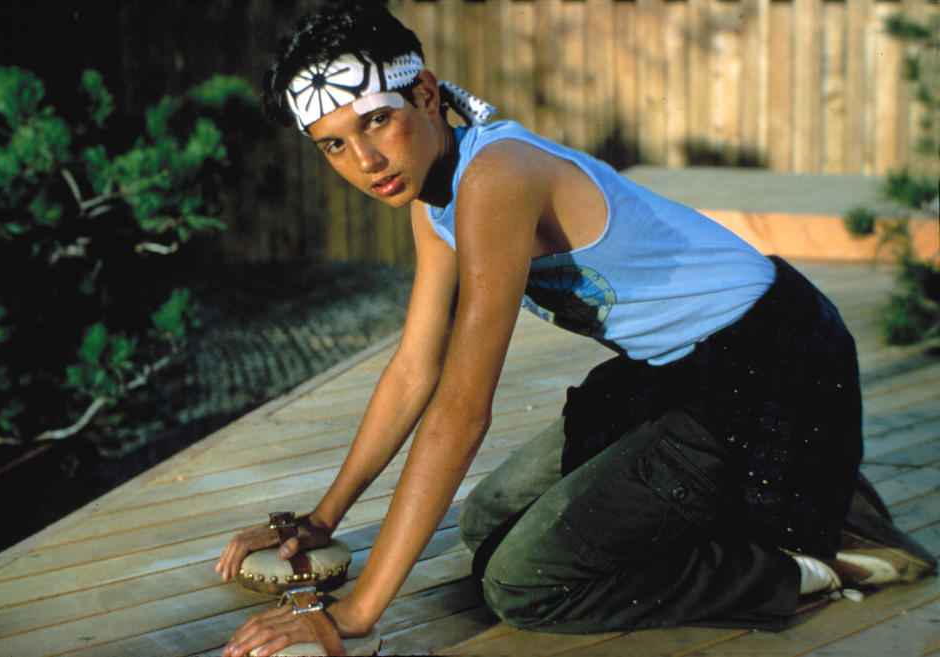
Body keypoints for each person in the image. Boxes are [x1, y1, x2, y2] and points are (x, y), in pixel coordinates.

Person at [215, 2, 936, 655]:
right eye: (334, 145)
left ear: (427, 94)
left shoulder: (496, 177)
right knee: (487, 521)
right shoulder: (431, 196)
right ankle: (791, 504)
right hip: (676, 369)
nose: (365, 161)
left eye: (375, 121)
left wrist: (355, 612)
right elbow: (414, 369)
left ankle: (802, 562)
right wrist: (319, 518)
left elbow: (462, 408)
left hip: (772, 366)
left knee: (525, 581)